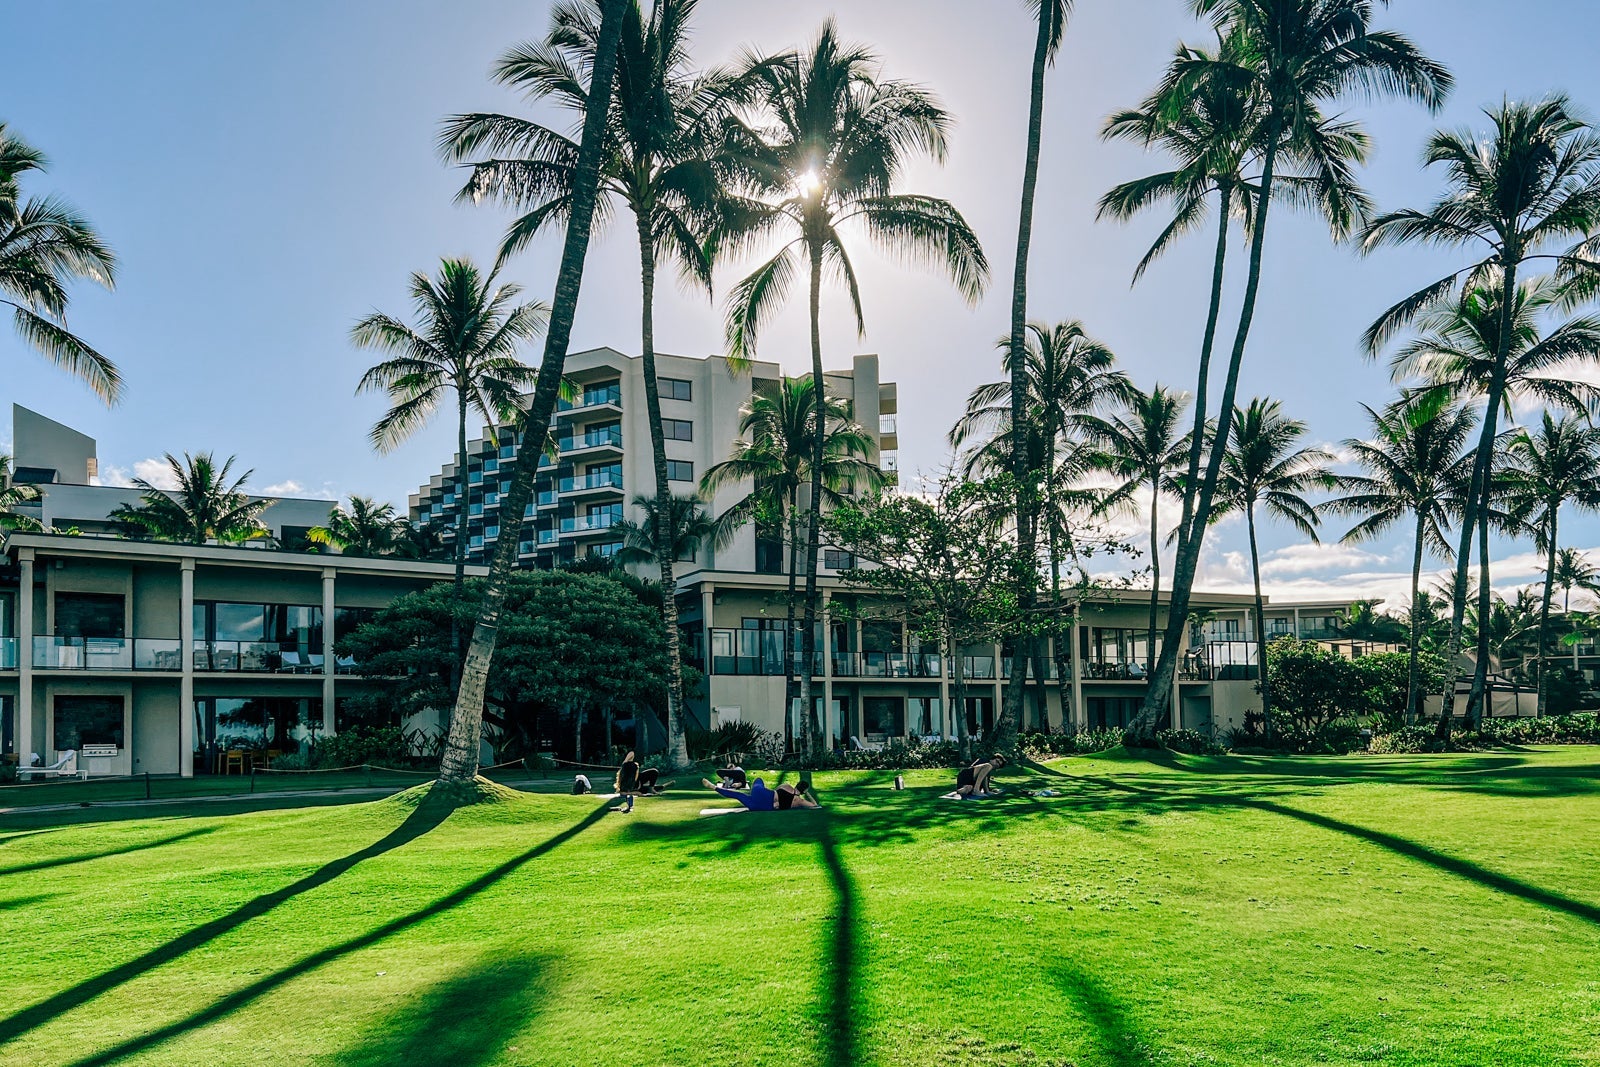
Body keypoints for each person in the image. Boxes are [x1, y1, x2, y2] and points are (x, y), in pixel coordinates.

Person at [708, 775, 776, 811]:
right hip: (766, 805)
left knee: (758, 781)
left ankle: (714, 787)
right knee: (739, 795)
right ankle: (714, 787)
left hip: (756, 802)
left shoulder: (758, 790)